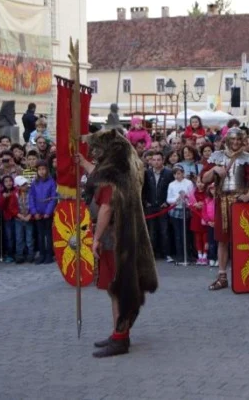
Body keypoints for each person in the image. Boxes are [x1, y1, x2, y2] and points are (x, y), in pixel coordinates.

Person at [78, 128, 158, 358]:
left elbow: (106, 208)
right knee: (117, 289)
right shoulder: (125, 170)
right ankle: (118, 333)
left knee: (118, 289)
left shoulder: (114, 176)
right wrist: (83, 162)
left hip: (116, 237)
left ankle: (120, 338)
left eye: (97, 149)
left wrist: (96, 238)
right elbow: (99, 176)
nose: (94, 153)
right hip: (125, 235)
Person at [201, 127, 249, 291]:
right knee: (222, 239)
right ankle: (222, 276)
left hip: (241, 204)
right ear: (227, 140)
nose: (235, 142)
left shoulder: (248, 158)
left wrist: (248, 195)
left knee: (244, 240)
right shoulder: (217, 157)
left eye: (238, 140)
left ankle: (246, 274)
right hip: (222, 200)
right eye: (232, 139)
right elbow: (204, 178)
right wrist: (214, 169)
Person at [142, 151, 174, 261]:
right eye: (154, 160)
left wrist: (167, 202)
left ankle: (167, 253)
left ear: (163, 160)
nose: (156, 162)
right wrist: (145, 201)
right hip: (150, 206)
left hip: (163, 206)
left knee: (164, 231)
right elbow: (143, 189)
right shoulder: (147, 173)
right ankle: (152, 254)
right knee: (151, 231)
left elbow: (172, 188)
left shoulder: (169, 173)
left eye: (158, 160)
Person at [167, 164, 194, 264]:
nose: (177, 176)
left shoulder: (189, 183)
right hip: (175, 210)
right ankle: (180, 255)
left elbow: (192, 196)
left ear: (183, 173)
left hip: (186, 209)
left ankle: (188, 254)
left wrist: (186, 198)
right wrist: (176, 199)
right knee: (177, 234)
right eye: (175, 174)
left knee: (186, 233)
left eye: (179, 173)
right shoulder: (171, 184)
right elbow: (168, 199)